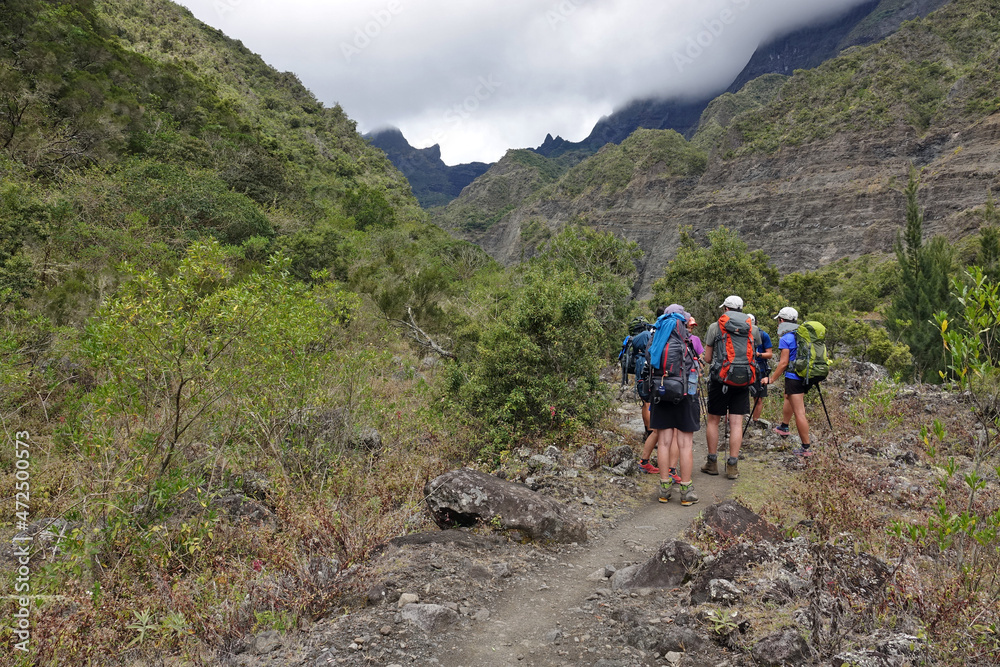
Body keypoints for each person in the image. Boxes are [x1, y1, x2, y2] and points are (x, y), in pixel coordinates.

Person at [701, 295, 761, 480]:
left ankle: (712, 463)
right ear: (741, 309)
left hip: (720, 379)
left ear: (725, 309)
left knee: (713, 420)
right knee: (736, 423)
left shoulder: (714, 327)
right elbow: (754, 354)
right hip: (744, 380)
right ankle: (732, 466)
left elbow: (708, 359)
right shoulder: (753, 328)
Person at [646, 305, 700, 506]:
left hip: (660, 393)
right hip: (684, 394)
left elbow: (649, 362)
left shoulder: (656, 336)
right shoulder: (687, 338)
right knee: (685, 444)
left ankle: (664, 489)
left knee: (664, 442)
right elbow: (695, 367)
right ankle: (686, 491)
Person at [761, 306, 815, 456]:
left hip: (794, 378)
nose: (778, 323)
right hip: (805, 376)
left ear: (782, 320)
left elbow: (783, 363)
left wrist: (771, 379)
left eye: (779, 320)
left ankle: (806, 448)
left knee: (799, 412)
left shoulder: (786, 338)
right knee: (787, 396)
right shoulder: (804, 335)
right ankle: (784, 426)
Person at [637, 307, 663, 475]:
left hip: (646, 376)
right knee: (667, 429)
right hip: (661, 381)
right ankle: (669, 470)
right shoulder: (663, 333)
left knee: (646, 403)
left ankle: (648, 430)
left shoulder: (650, 331)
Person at [747, 314, 773, 426]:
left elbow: (770, 354)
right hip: (743, 368)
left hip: (759, 370)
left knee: (758, 398)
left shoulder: (763, 335)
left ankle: (755, 422)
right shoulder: (739, 334)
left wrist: (759, 354)